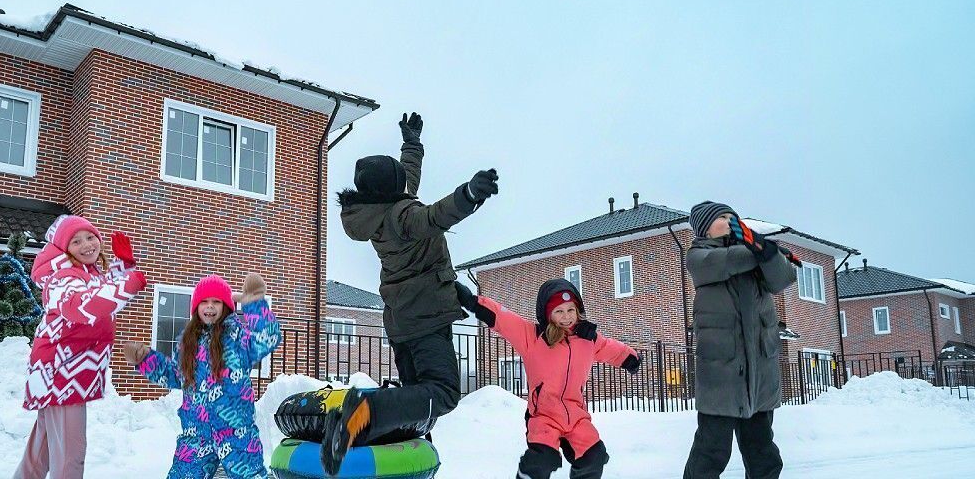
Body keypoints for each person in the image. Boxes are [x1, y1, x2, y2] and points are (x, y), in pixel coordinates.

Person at [321, 112, 499, 475]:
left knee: (417, 401)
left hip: (402, 320)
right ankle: (366, 412)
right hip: (426, 318)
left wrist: (412, 143)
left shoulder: (379, 212)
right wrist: (468, 195)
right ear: (393, 191)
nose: (407, 185)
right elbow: (435, 216)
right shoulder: (404, 216)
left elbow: (408, 177)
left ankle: (394, 456)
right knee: (444, 391)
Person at [458, 279, 641, 479]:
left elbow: (611, 348)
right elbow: (503, 318)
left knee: (594, 456)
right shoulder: (534, 337)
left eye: (570, 310)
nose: (566, 317)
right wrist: (472, 301)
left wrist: (630, 358)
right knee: (542, 460)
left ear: (578, 310)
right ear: (548, 313)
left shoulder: (588, 339)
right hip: (543, 416)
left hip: (576, 415)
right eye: (559, 311)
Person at [15, 214, 148, 478]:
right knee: (70, 456)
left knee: (42, 450)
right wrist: (128, 286)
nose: (87, 244)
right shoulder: (62, 277)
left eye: (90, 237)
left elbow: (104, 287)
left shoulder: (88, 274)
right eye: (76, 241)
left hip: (64, 371)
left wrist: (124, 267)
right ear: (64, 249)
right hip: (61, 373)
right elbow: (84, 306)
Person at [682, 201, 798, 479]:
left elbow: (784, 278)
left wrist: (769, 255)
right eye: (722, 217)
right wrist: (763, 251)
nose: (730, 220)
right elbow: (727, 262)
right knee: (711, 452)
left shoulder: (754, 255)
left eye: (733, 216)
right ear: (705, 229)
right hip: (721, 373)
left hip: (760, 372)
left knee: (763, 453)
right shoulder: (699, 255)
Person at [123, 274, 280, 479]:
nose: (210, 307)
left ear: (226, 306)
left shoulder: (238, 339)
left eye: (216, 301)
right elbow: (176, 375)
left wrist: (255, 305)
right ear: (196, 307)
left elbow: (267, 338)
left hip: (236, 432)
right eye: (204, 301)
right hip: (196, 433)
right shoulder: (187, 343)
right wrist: (145, 360)